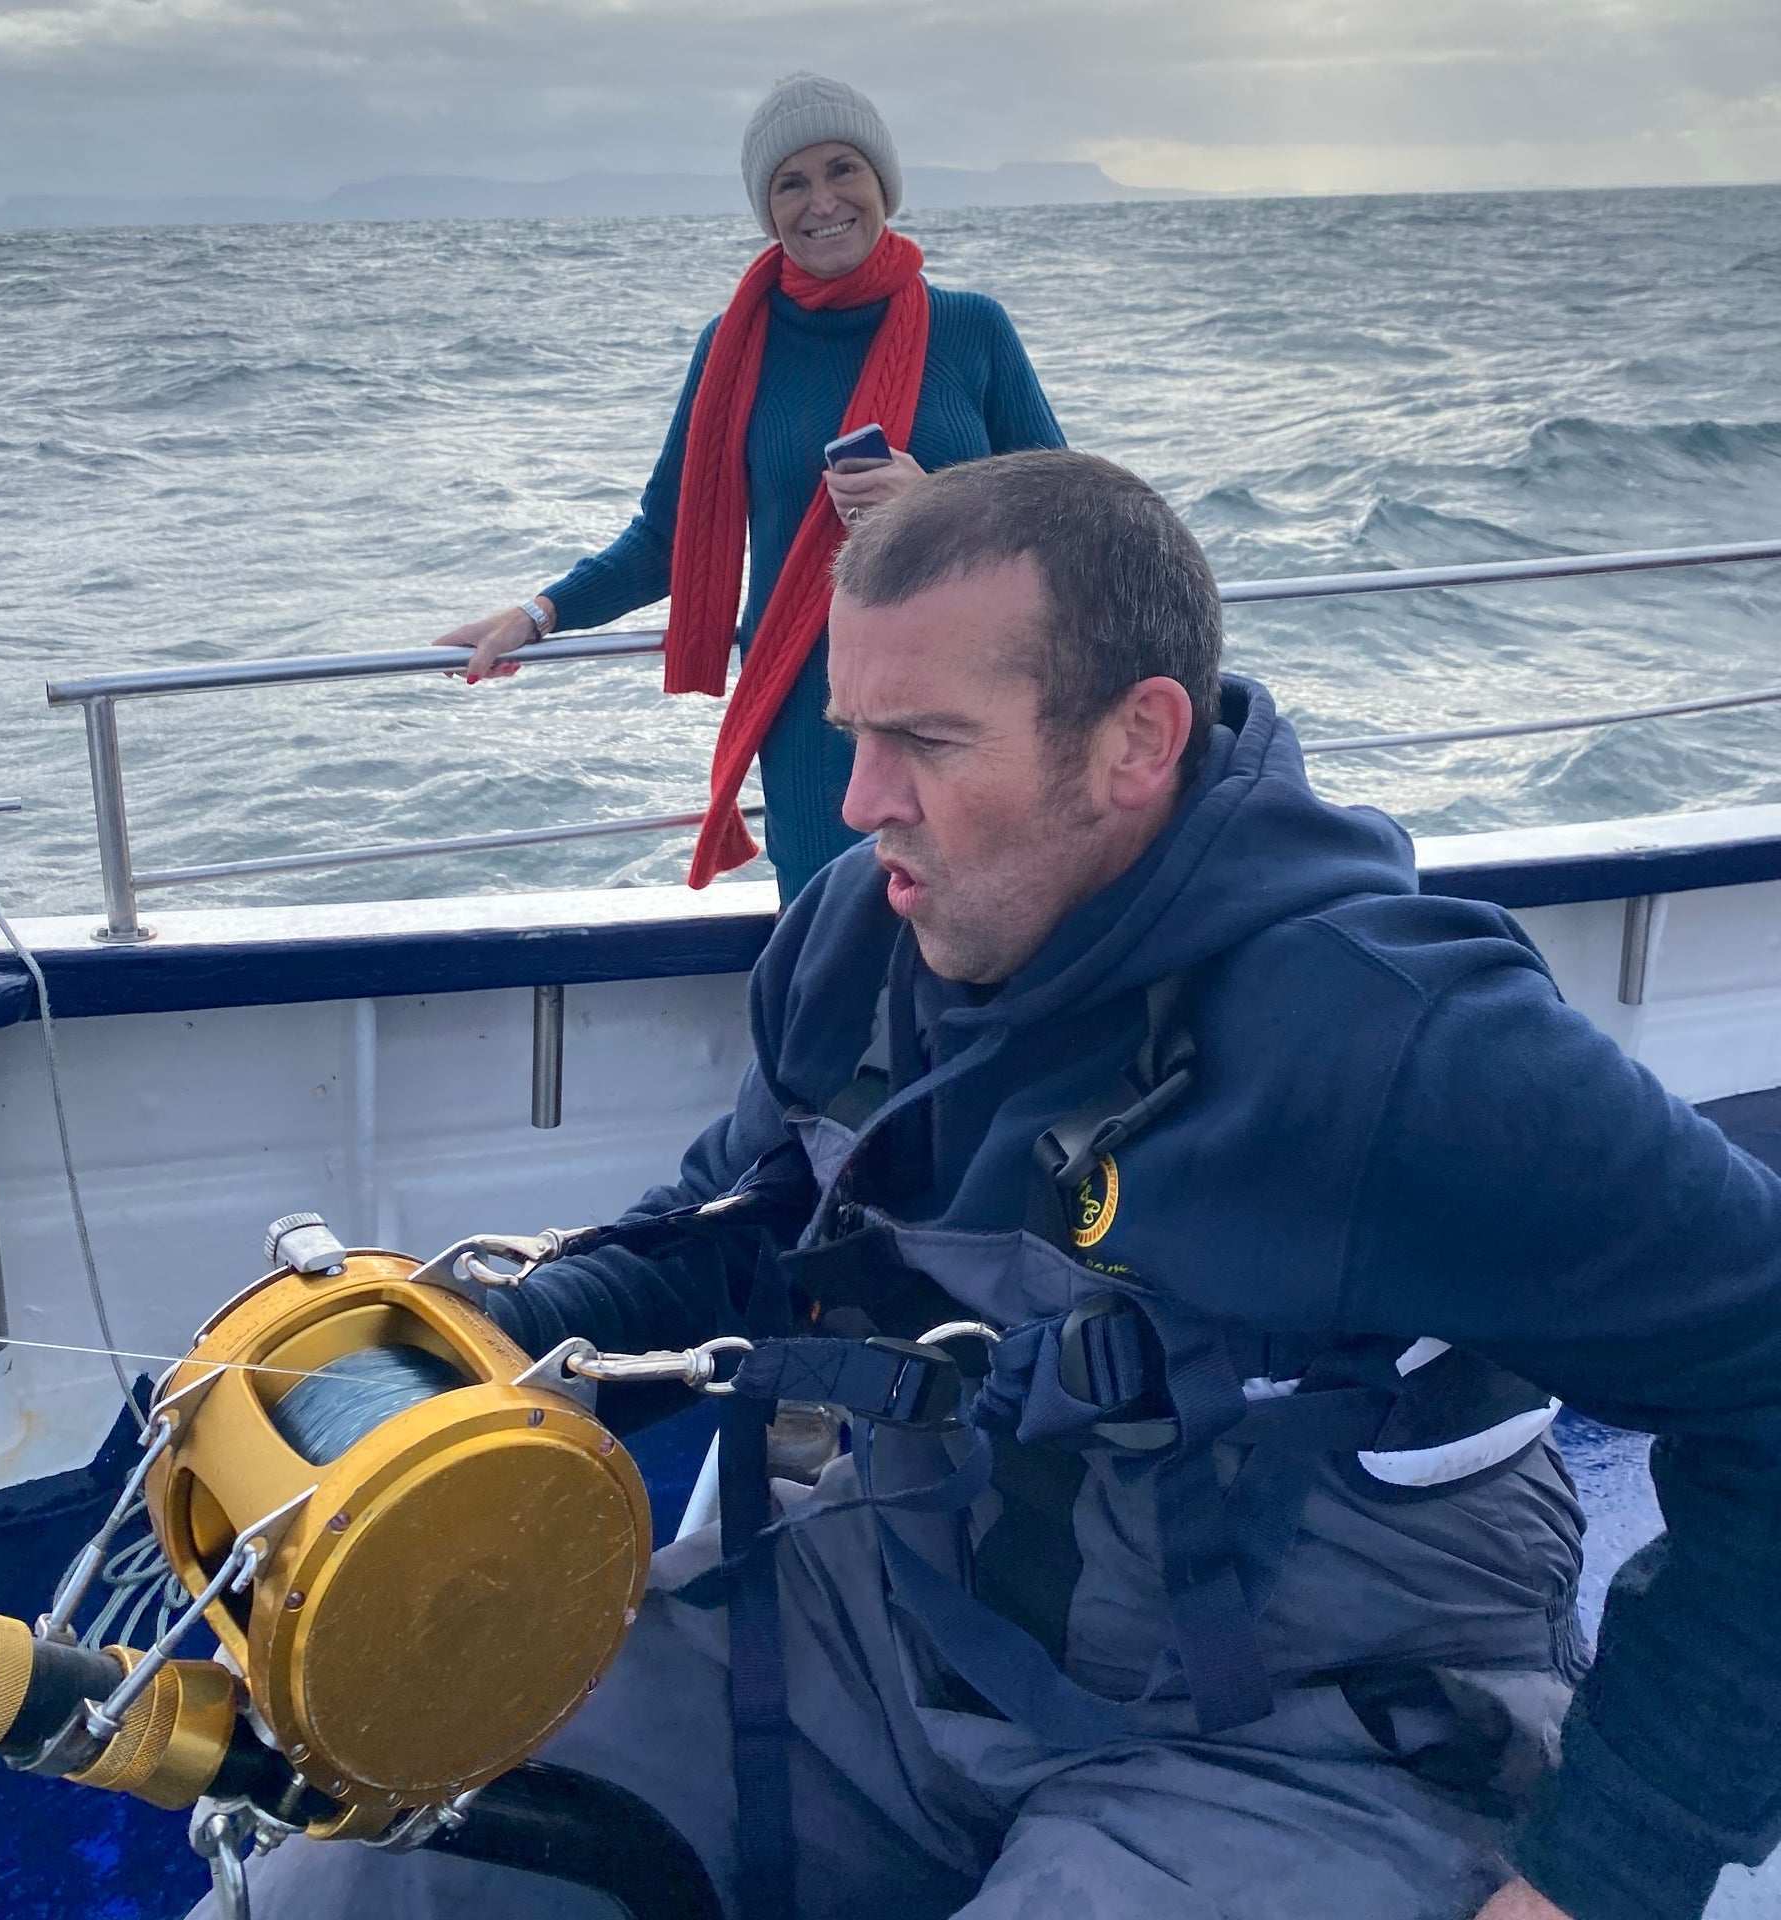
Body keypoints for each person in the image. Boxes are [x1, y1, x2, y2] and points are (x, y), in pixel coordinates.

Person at [231, 450, 1781, 1920]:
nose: (857, 801)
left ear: (1136, 744)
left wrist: (1609, 1871)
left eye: (929, 743)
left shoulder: (1405, 1047)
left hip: (1309, 1712)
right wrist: (448, 1366)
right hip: (910, 1602)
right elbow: (740, 1230)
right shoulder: (865, 931)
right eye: (853, 731)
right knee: (370, 1856)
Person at [431, 73, 1065, 903]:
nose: (822, 199)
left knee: (979, 948)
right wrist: (538, 615)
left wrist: (933, 503)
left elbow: (1068, 521)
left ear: (884, 185)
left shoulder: (971, 327)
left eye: (844, 169)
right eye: (790, 182)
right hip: (815, 720)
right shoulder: (731, 349)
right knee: (833, 970)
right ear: (768, 210)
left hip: (969, 705)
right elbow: (669, 538)